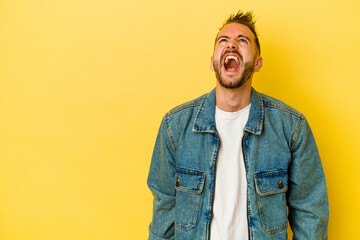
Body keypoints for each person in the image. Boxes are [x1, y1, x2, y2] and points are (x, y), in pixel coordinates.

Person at [147, 10, 329, 240]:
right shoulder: (175, 126)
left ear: (257, 63)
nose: (231, 45)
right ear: (213, 62)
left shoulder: (291, 127)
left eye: (242, 41)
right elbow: (164, 207)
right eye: (223, 40)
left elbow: (310, 210)